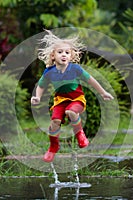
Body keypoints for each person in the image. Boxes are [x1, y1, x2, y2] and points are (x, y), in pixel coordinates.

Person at [31, 30, 114, 162]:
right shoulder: (49, 72)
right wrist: (37, 97)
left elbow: (90, 80)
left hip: (77, 100)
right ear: (53, 55)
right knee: (55, 122)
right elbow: (41, 85)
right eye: (60, 52)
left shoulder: (75, 69)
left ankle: (80, 135)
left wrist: (103, 93)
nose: (63, 55)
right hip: (60, 101)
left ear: (71, 56)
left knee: (71, 111)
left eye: (67, 52)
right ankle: (53, 147)